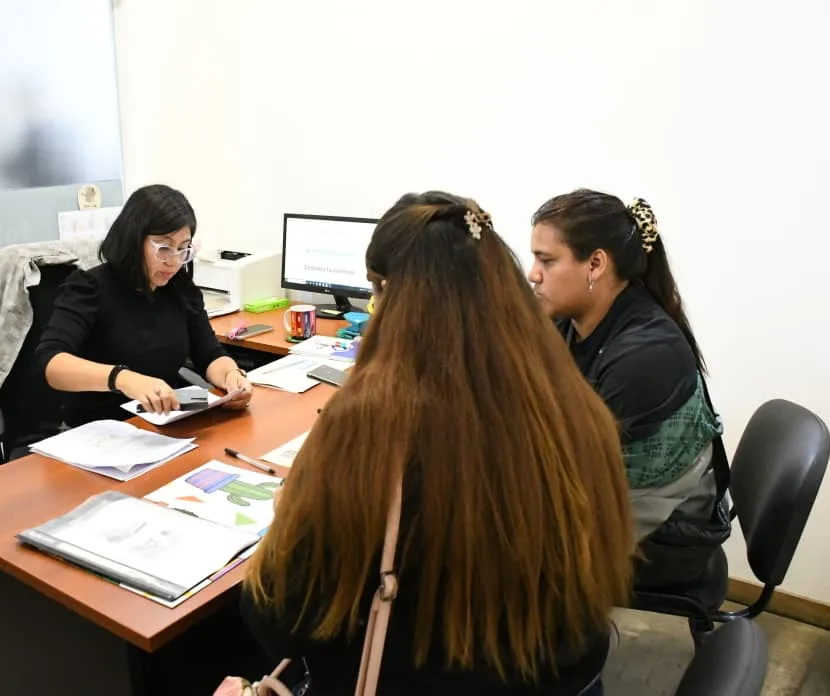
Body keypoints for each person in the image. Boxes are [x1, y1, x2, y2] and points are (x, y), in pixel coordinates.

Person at [240, 192, 634, 696]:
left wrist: (290, 519)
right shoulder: (577, 407)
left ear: (391, 298)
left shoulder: (371, 426)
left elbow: (278, 619)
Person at [528, 189, 731, 589]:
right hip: (609, 503)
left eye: (546, 260)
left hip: (666, 541)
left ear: (596, 264)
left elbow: (564, 468)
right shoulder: (570, 322)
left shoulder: (646, 356)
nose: (533, 273)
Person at [36, 184, 252, 426]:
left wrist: (232, 376)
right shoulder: (89, 288)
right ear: (134, 241)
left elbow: (210, 355)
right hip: (101, 428)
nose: (174, 262)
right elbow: (51, 362)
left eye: (183, 249)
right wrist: (123, 379)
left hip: (164, 421)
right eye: (164, 248)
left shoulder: (180, 288)